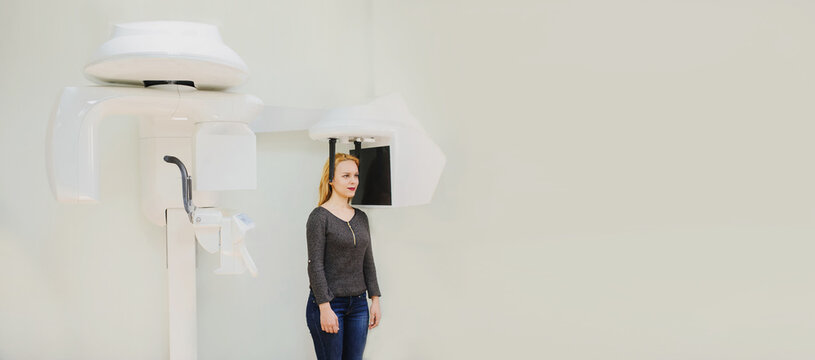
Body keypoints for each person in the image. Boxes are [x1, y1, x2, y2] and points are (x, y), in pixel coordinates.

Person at [306, 153, 382, 360]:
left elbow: (368, 261)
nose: (353, 181)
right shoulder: (319, 217)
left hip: (358, 305)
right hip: (330, 304)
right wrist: (324, 306)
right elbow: (315, 265)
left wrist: (374, 299)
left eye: (356, 175)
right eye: (346, 175)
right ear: (331, 180)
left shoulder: (361, 217)